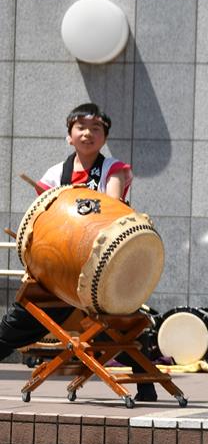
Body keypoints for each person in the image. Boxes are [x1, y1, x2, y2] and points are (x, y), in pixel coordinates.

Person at [0, 103, 155, 402]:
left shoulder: (113, 170)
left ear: (105, 138)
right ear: (69, 136)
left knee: (123, 320)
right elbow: (43, 223)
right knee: (22, 319)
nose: (88, 134)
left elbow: (112, 210)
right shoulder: (56, 174)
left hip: (101, 267)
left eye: (96, 128)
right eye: (81, 127)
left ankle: (145, 381)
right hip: (61, 270)